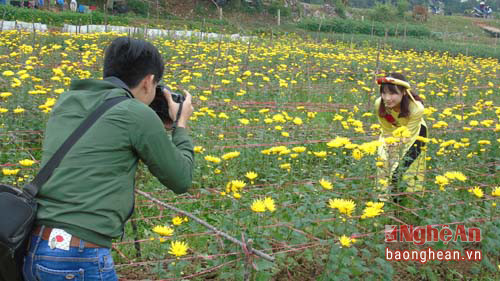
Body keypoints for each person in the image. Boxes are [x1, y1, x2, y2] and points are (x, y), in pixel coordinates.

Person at [22, 37, 195, 281]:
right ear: (148, 82)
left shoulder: (66, 101)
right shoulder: (136, 115)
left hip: (36, 250)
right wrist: (181, 124)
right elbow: (181, 179)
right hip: (78, 257)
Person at [374, 73, 427, 203]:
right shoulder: (379, 104)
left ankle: (406, 200)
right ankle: (383, 200)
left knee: (403, 168)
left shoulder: (416, 108)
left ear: (403, 92)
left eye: (392, 94)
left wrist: (396, 147)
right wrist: (389, 144)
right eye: (384, 93)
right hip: (392, 133)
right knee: (383, 160)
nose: (387, 98)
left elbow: (409, 134)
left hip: (415, 135)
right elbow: (386, 128)